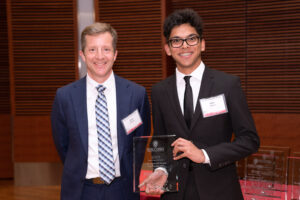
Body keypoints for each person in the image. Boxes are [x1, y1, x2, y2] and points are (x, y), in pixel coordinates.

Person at [141, 8, 260, 200]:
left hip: (219, 191)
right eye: (176, 41)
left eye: (191, 39)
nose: (184, 46)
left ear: (202, 44)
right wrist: (161, 169)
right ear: (168, 49)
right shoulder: (159, 91)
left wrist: (204, 154)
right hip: (175, 193)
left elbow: (249, 140)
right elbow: (161, 140)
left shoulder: (227, 85)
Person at [51, 22, 151, 200]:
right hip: (81, 191)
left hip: (123, 189)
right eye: (92, 50)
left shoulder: (136, 94)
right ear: (82, 55)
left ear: (115, 54)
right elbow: (63, 145)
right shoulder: (65, 96)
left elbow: (140, 142)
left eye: (106, 49)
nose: (99, 56)